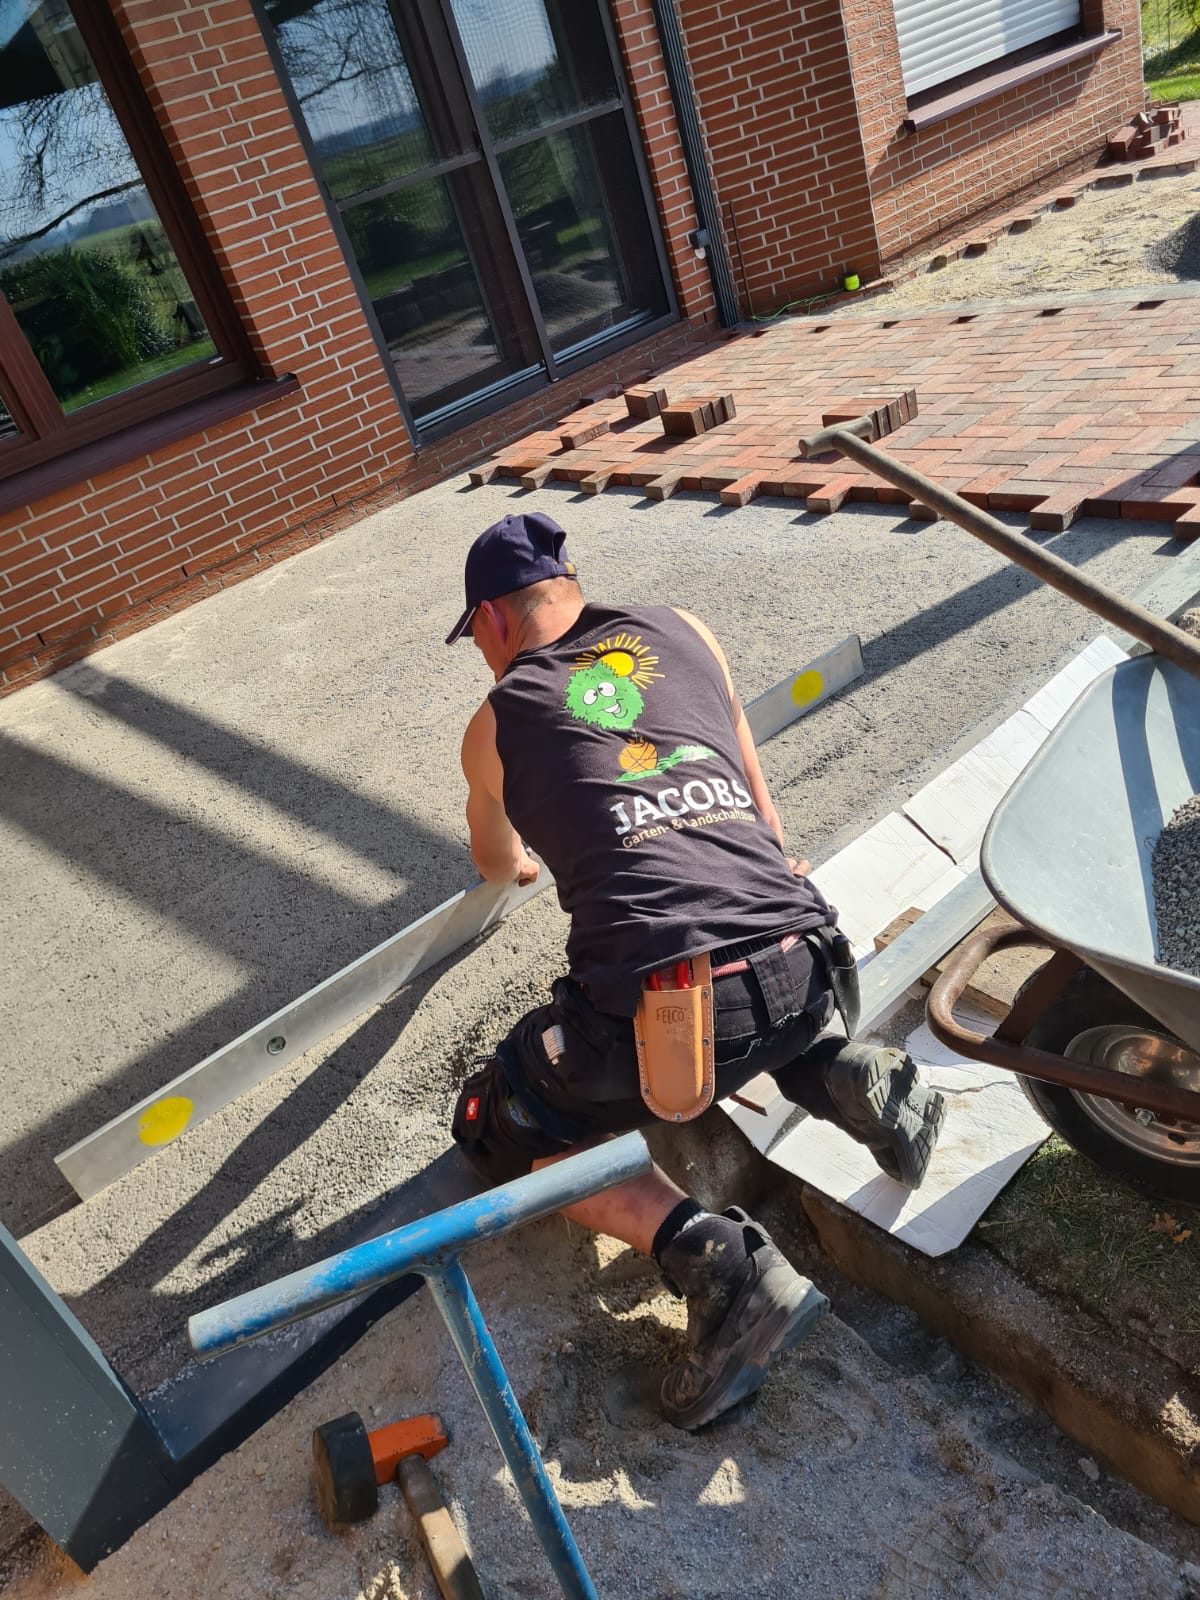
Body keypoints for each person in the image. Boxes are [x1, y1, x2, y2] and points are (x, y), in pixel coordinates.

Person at [447, 510, 945, 1431]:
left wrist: (528, 856)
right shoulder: (686, 630)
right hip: (805, 957)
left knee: (500, 1124)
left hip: (674, 1006)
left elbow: (494, 861)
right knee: (751, 1003)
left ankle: (719, 1262)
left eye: (477, 639)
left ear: (492, 620)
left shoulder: (496, 723)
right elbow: (766, 820)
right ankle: (841, 1075)